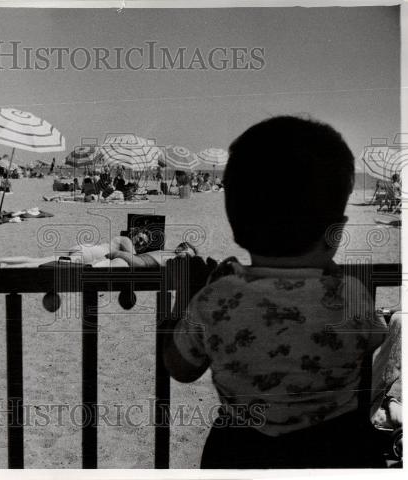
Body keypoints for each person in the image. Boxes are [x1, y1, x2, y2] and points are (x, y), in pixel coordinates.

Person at [163, 116, 389, 468]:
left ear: (236, 226)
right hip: (337, 450)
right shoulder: (350, 295)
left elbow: (180, 367)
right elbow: (373, 343)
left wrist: (186, 300)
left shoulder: (216, 298)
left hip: (241, 451)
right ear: (337, 231)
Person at [0, 233, 197, 269]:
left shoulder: (121, 241)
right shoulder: (124, 239)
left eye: (143, 241)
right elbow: (134, 258)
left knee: (38, 259)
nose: (140, 242)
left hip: (85, 251)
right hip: (85, 255)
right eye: (141, 238)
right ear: (135, 233)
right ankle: (0, 266)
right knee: (40, 265)